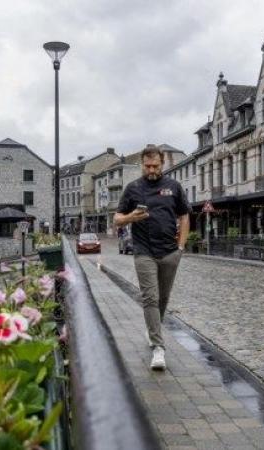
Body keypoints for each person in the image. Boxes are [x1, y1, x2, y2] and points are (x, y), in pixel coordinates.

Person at [113, 144, 190, 370]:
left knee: (163, 299)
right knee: (150, 297)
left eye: (155, 166)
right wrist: (131, 218)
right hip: (143, 251)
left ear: (162, 163)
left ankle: (152, 328)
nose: (152, 170)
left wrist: (181, 247)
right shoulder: (133, 188)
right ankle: (158, 348)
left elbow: (184, 216)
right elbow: (117, 219)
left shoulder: (174, 187)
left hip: (169, 252)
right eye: (147, 166)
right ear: (142, 165)